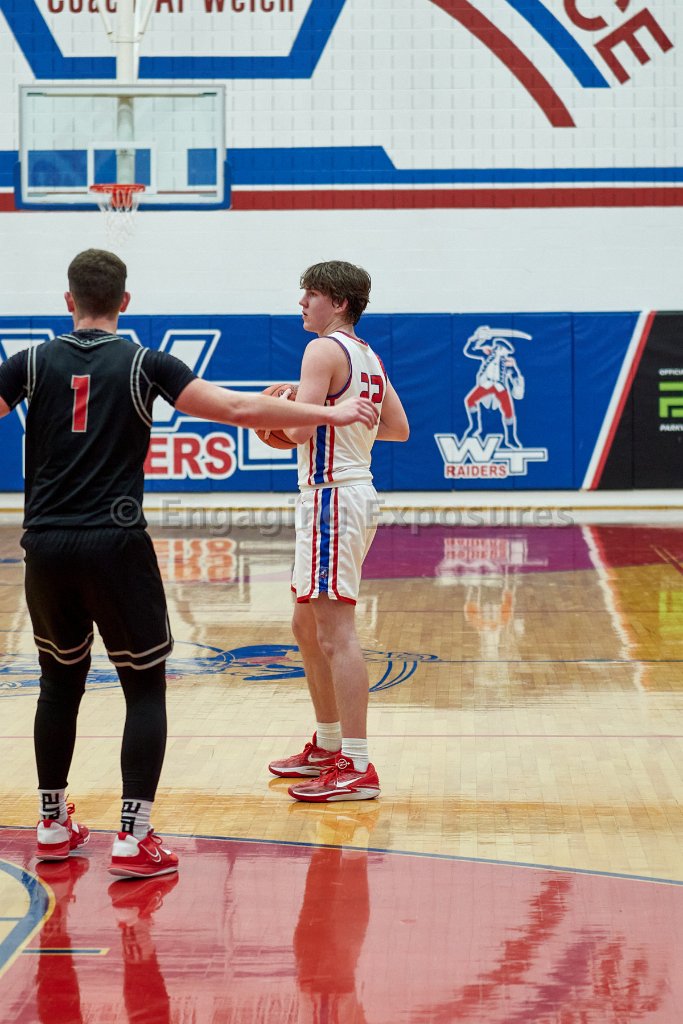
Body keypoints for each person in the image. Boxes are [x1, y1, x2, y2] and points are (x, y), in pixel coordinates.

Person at [0, 249, 379, 878]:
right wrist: (329, 412)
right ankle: (133, 837)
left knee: (58, 683)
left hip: (44, 544)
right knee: (143, 686)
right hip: (116, 543)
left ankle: (51, 824)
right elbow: (237, 409)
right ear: (125, 302)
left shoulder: (29, 363)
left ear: (68, 301)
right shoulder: (145, 363)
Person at [268, 260, 409, 801]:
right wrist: (325, 409)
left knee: (335, 633)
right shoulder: (368, 356)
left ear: (340, 302)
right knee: (306, 627)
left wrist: (275, 411)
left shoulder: (322, 350)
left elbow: (299, 431)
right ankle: (328, 746)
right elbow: (397, 429)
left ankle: (357, 764)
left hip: (332, 497)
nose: (301, 303)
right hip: (349, 494)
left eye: (311, 294)